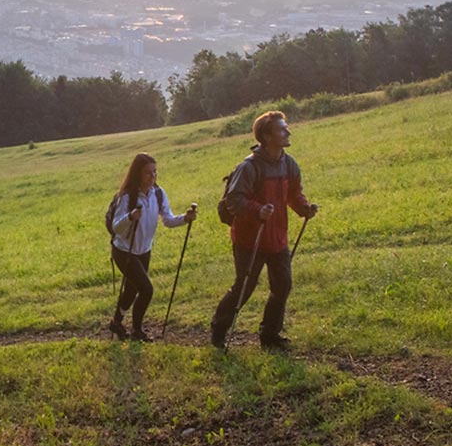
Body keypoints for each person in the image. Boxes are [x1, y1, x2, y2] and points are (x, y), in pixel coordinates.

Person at [210, 111, 319, 351]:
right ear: (267, 136)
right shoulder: (249, 167)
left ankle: (270, 335)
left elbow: (294, 193)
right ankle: (218, 330)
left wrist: (304, 208)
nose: (288, 132)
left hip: (277, 237)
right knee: (244, 288)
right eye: (282, 129)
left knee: (283, 286)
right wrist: (257, 210)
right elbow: (234, 199)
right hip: (251, 239)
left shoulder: (288, 163)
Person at [105, 151, 196, 341]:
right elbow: (116, 226)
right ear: (138, 173)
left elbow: (168, 220)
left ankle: (116, 323)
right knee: (146, 289)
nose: (153, 176)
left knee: (132, 289)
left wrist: (185, 219)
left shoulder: (158, 193)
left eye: (155, 172)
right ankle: (137, 331)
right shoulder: (127, 196)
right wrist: (130, 217)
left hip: (144, 250)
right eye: (148, 172)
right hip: (124, 251)